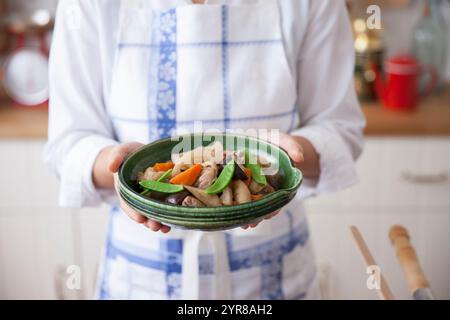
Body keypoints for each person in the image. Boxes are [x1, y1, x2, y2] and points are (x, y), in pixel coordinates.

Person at [44, 0, 365, 299]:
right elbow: (70, 143)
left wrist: (284, 158)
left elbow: (338, 130)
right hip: (141, 277)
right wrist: (122, 172)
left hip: (274, 276)